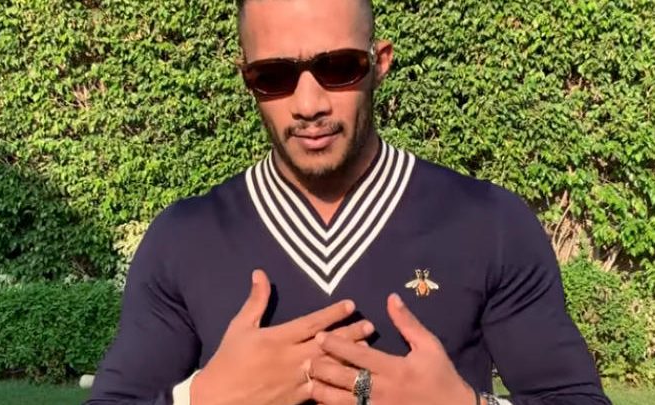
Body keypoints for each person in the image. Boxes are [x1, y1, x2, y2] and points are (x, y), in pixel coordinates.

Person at [86, 0, 612, 404]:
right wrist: (200, 399)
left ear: (379, 63)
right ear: (247, 80)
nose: (308, 104)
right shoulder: (184, 240)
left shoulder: (491, 225)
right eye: (274, 76)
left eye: (338, 67)